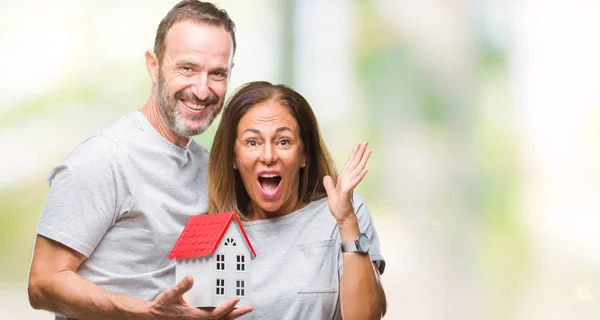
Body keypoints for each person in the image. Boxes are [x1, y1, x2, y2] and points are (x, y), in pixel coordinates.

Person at [27, 1, 253, 319]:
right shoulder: (104, 158)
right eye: (187, 68)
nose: (202, 90)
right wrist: (148, 313)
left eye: (216, 73)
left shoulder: (206, 165)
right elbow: (42, 285)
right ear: (153, 65)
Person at [208, 81, 387, 319]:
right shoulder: (214, 232)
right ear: (233, 156)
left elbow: (367, 316)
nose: (269, 156)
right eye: (253, 142)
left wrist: (346, 222)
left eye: (283, 141)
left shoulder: (344, 215)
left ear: (303, 154)